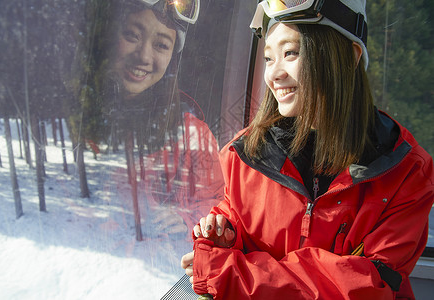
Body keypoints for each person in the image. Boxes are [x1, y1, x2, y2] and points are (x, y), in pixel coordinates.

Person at [181, 0, 434, 298]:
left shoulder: (405, 171)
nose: (273, 75)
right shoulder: (248, 156)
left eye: (290, 53)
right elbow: (233, 217)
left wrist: (230, 273)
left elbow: (367, 286)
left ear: (349, 56)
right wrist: (225, 237)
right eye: (268, 58)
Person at [99, 0, 224, 247]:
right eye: (132, 35)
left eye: (161, 45)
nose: (144, 56)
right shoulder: (82, 122)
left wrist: (188, 219)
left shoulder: (193, 135)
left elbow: (217, 204)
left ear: (172, 58)